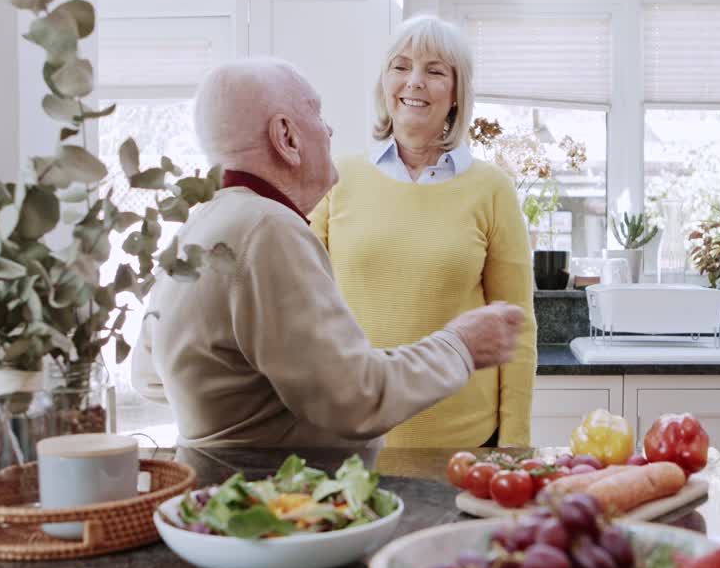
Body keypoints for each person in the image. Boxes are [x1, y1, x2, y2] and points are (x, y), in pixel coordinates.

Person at [130, 57, 525, 455]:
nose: (329, 129)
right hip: (279, 503)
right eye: (316, 113)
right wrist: (460, 345)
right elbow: (354, 398)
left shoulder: (197, 227)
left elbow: (148, 374)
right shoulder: (270, 229)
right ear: (286, 137)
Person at [310, 14, 536, 449]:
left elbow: (516, 328)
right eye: (401, 66)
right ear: (385, 83)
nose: (414, 81)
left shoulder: (492, 189)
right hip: (351, 438)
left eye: (434, 71)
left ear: (456, 94)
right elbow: (301, 306)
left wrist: (514, 446)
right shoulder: (337, 177)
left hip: (468, 444)